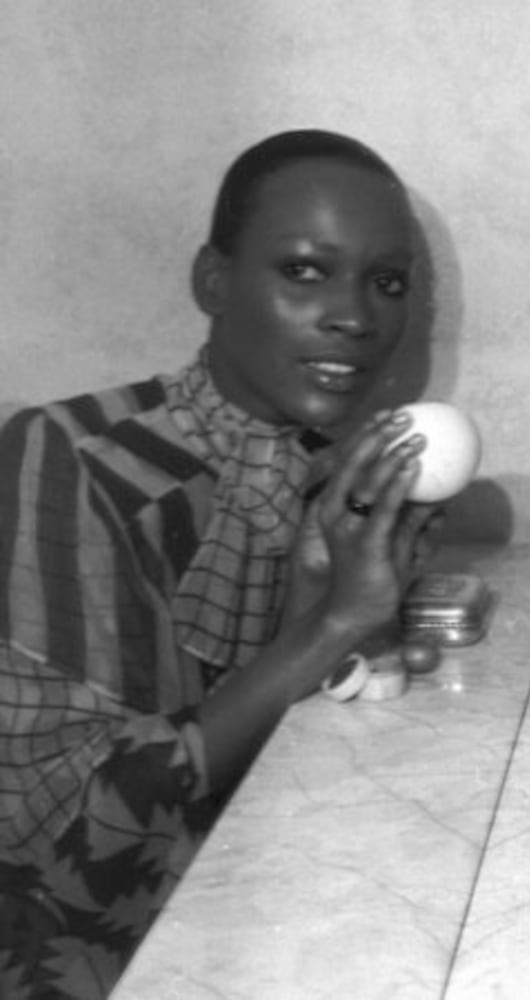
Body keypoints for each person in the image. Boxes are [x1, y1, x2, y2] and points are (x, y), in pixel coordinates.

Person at [0, 129, 444, 999]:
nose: (355, 317)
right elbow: (66, 832)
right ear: (213, 281)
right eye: (305, 270)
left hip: (272, 919)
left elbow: (300, 774)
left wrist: (335, 601)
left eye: (387, 283)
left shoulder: (337, 472)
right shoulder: (70, 456)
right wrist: (335, 625)